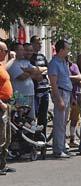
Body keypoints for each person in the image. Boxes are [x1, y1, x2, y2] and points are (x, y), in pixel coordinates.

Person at [48, 40, 73, 158]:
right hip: (61, 92)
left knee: (64, 122)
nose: (68, 51)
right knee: (59, 122)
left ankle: (62, 146)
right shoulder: (54, 63)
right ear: (61, 50)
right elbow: (53, 83)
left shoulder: (64, 62)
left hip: (67, 92)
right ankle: (58, 149)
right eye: (67, 49)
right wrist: (59, 99)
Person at [8, 44, 37, 120]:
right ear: (15, 52)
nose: (23, 52)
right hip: (19, 95)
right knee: (21, 117)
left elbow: (36, 71)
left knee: (31, 118)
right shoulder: (12, 64)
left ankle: (31, 131)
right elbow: (22, 77)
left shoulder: (25, 62)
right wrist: (30, 72)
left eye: (23, 49)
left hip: (30, 93)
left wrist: (26, 70)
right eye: (21, 50)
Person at [29, 36, 50, 136]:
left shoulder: (42, 56)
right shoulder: (30, 57)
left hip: (45, 89)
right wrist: (39, 71)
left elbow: (47, 68)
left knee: (43, 117)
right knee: (34, 115)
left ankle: (42, 138)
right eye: (38, 43)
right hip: (35, 90)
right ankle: (32, 138)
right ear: (32, 44)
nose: (40, 45)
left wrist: (40, 71)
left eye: (41, 43)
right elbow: (32, 71)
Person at [0, 41, 15, 175]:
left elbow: (6, 67)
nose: (6, 54)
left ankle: (3, 164)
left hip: (7, 103)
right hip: (1, 104)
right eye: (4, 51)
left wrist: (12, 59)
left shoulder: (1, 66)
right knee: (1, 137)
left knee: (7, 137)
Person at [67, 53, 81, 148]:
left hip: (76, 94)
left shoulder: (74, 66)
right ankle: (63, 140)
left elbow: (79, 77)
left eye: (69, 56)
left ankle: (72, 138)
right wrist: (74, 78)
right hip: (66, 94)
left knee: (75, 118)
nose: (68, 58)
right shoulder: (62, 66)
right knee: (65, 119)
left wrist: (68, 78)